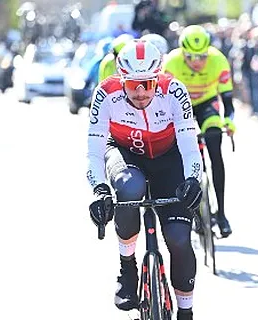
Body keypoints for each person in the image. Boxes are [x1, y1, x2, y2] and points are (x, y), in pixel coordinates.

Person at [86, 40, 203, 320]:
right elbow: (94, 149)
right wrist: (100, 190)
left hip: (169, 157)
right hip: (126, 153)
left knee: (178, 238)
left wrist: (193, 179)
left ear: (157, 79)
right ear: (121, 79)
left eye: (147, 85)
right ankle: (128, 268)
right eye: (132, 85)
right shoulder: (105, 93)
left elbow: (188, 144)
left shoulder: (174, 89)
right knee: (129, 187)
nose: (140, 93)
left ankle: (185, 312)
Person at [163, 25, 236, 237]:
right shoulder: (171, 63)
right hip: (181, 106)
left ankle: (221, 214)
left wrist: (229, 122)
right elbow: (164, 102)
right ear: (182, 52)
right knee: (186, 154)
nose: (197, 61)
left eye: (202, 56)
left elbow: (228, 102)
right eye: (191, 56)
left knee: (215, 149)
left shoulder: (219, 61)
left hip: (207, 104)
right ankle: (194, 211)